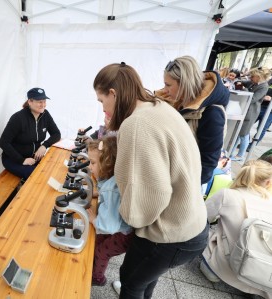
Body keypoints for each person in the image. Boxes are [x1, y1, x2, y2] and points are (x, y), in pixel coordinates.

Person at [94, 62, 209, 298]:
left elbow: (146, 198)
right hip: (192, 223)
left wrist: (123, 215)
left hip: (171, 233)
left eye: (101, 101)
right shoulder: (158, 107)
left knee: (131, 281)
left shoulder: (135, 124)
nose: (103, 108)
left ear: (113, 94)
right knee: (145, 277)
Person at [201, 160, 272, 299]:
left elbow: (202, 217)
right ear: (268, 182)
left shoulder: (227, 195)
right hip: (263, 274)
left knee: (207, 231)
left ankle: (212, 270)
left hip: (224, 268)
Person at [157, 55, 230, 192]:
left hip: (187, 186)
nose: (165, 90)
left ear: (185, 84)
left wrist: (183, 189)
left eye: (168, 85)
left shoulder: (212, 114)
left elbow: (208, 163)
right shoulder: (178, 102)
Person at [85, 136, 133, 286]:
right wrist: (97, 193)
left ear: (107, 164)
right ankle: (92, 263)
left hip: (126, 234)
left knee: (101, 252)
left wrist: (93, 219)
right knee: (97, 241)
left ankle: (98, 278)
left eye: (92, 163)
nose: (90, 167)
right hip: (120, 227)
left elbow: (108, 226)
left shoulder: (112, 189)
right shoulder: (112, 178)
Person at [0, 87, 61, 181]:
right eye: (39, 101)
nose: (43, 105)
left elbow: (56, 134)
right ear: (30, 102)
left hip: (34, 157)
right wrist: (22, 160)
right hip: (14, 160)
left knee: (52, 170)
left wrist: (44, 145)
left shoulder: (45, 114)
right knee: (37, 177)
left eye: (44, 101)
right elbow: (3, 142)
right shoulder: (18, 118)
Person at [231, 67, 270, 161]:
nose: (251, 78)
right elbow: (243, 81)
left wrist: (244, 90)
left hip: (251, 112)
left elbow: (252, 99)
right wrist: (239, 81)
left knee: (244, 134)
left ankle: (240, 156)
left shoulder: (264, 86)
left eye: (253, 76)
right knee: (238, 133)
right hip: (245, 111)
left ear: (259, 77)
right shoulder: (254, 82)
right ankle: (231, 152)